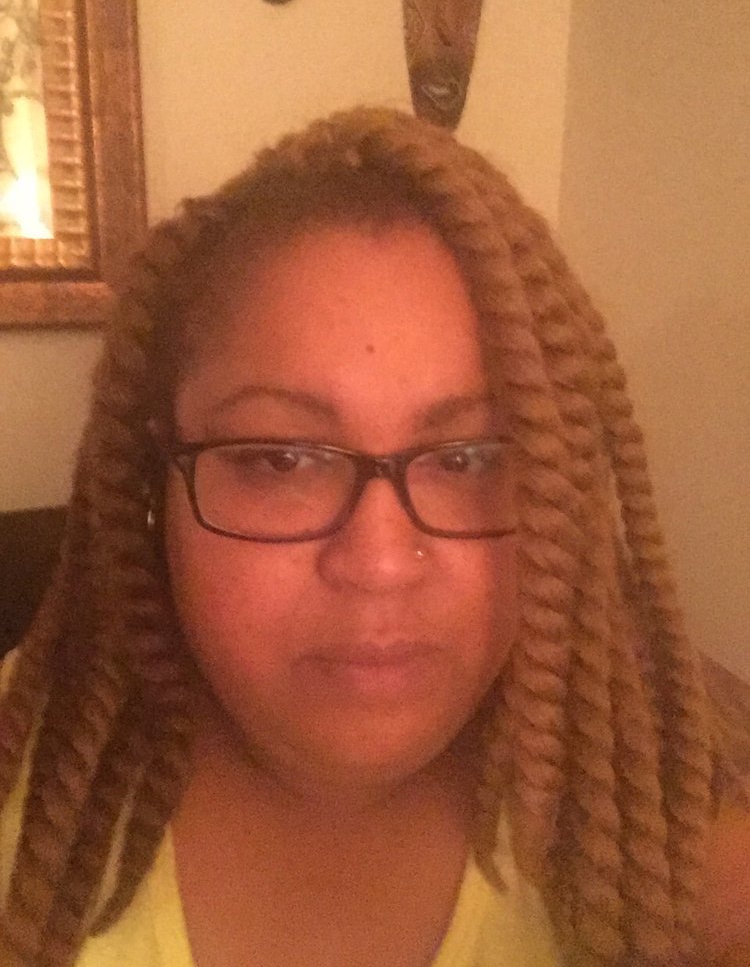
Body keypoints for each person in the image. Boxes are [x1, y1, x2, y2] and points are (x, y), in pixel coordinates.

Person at [0, 107, 747, 967]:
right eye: (280, 459)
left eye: (469, 458)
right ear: (154, 482)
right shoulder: (30, 783)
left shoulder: (641, 804)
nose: (382, 564)